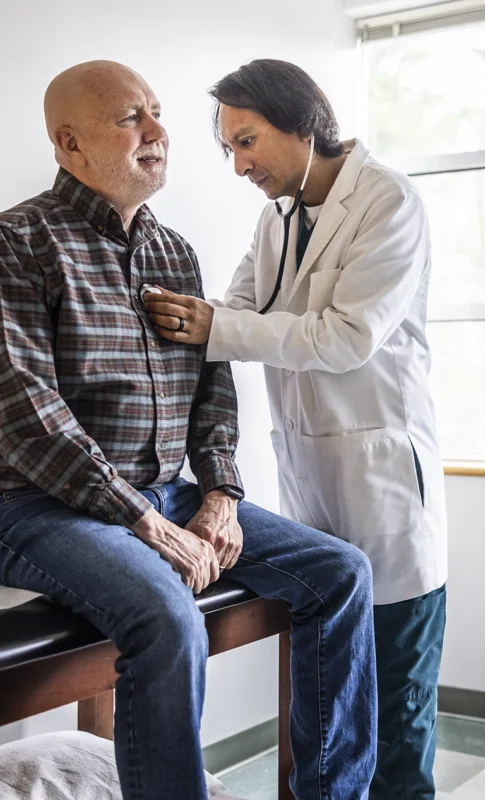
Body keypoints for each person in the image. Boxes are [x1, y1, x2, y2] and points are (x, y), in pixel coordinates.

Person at [0, 60, 377, 800]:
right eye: (130, 118)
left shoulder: (172, 251)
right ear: (69, 144)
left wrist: (220, 496)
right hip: (37, 506)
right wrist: (143, 520)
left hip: (165, 493)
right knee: (167, 615)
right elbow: (26, 414)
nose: (157, 132)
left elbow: (211, 387)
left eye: (156, 113)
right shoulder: (18, 242)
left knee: (340, 574)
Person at [145, 59, 448, 799]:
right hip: (311, 478)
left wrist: (215, 326)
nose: (239, 166)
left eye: (248, 142)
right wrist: (169, 319)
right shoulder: (278, 217)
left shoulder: (388, 201)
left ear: (303, 122)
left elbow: (347, 337)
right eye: (229, 149)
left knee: (397, 710)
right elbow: (235, 311)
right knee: (335, 695)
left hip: (383, 482)